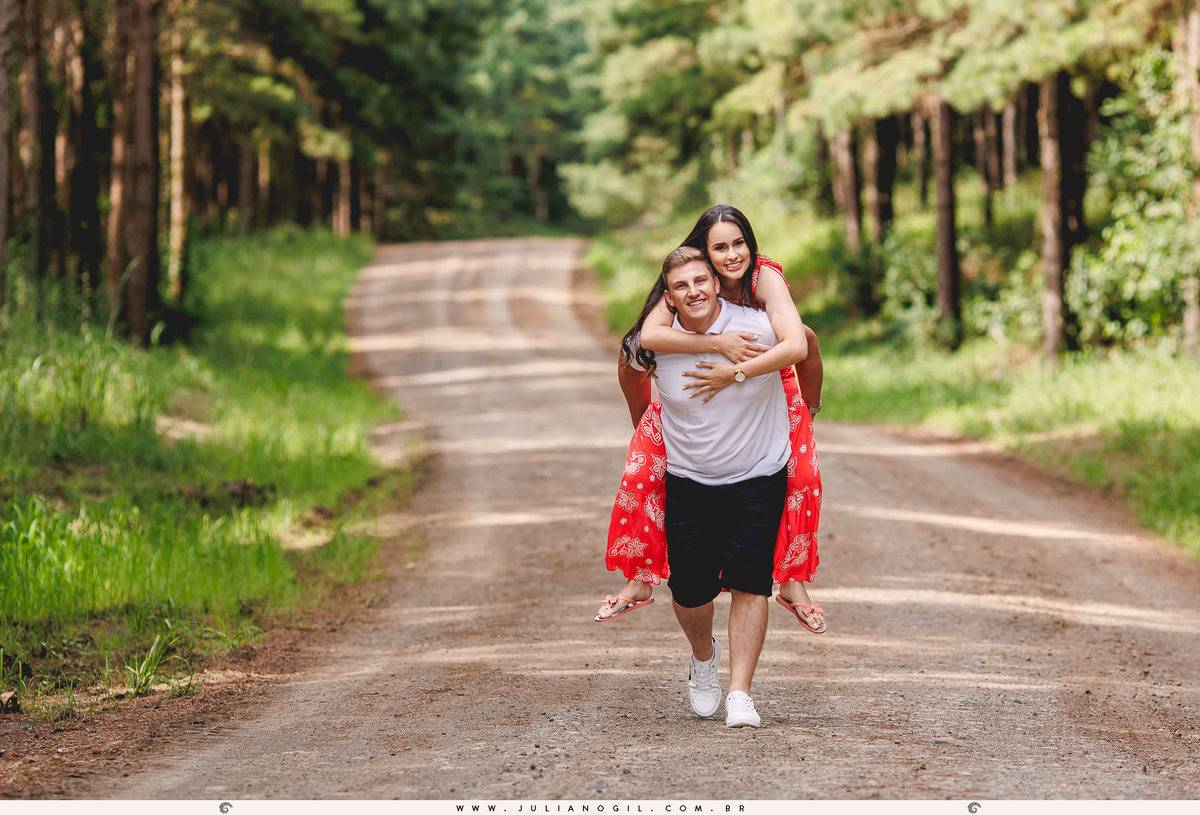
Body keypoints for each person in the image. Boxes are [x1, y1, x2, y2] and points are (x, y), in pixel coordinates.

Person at [596, 205, 826, 633]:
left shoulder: (764, 278)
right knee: (642, 475)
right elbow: (645, 340)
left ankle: (792, 581)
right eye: (719, 247)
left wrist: (807, 407)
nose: (732, 254)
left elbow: (803, 342)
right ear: (703, 252)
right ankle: (640, 577)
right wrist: (647, 418)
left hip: (768, 380)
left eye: (739, 243)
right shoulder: (687, 279)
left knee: (803, 479)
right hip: (690, 396)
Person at [623, 245, 798, 726]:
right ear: (670, 297)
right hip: (689, 479)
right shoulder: (656, 342)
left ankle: (741, 693)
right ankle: (704, 659)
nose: (694, 291)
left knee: (750, 582)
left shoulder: (759, 327)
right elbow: (629, 365)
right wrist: (643, 426)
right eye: (681, 286)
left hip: (760, 473)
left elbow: (805, 343)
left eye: (701, 280)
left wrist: (813, 404)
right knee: (690, 592)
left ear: (717, 282)